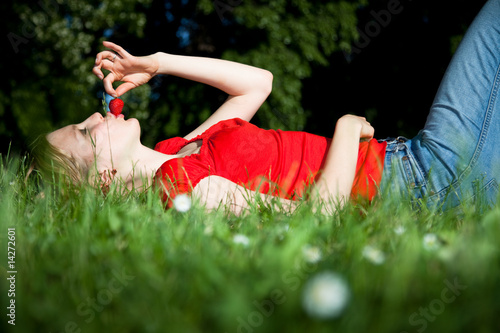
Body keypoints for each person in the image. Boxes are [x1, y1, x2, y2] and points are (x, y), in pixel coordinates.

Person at [31, 0, 500, 214]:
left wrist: (160, 62)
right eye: (88, 132)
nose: (97, 114)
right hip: (421, 181)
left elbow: (257, 84)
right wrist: (343, 127)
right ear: (106, 177)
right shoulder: (178, 187)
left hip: (414, 170)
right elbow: (321, 217)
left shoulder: (181, 151)